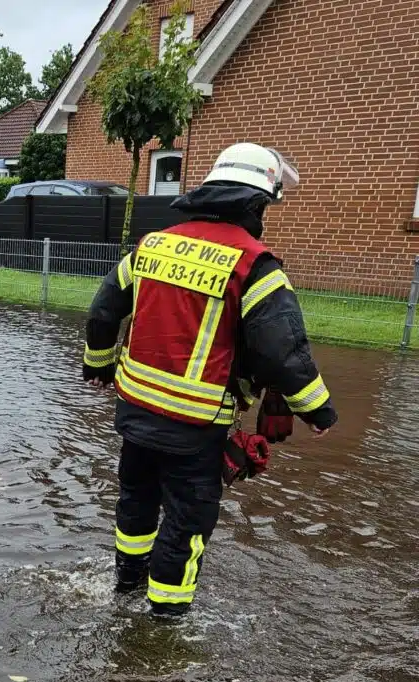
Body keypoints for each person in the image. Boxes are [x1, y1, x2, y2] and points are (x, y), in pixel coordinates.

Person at [82, 142, 337, 617]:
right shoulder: (254, 265)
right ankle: (164, 627)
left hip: (134, 413)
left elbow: (102, 313)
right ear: (259, 203)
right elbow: (281, 352)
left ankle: (125, 586)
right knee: (187, 521)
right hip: (194, 428)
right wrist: (317, 409)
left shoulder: (151, 245)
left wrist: (98, 366)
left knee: (136, 501)